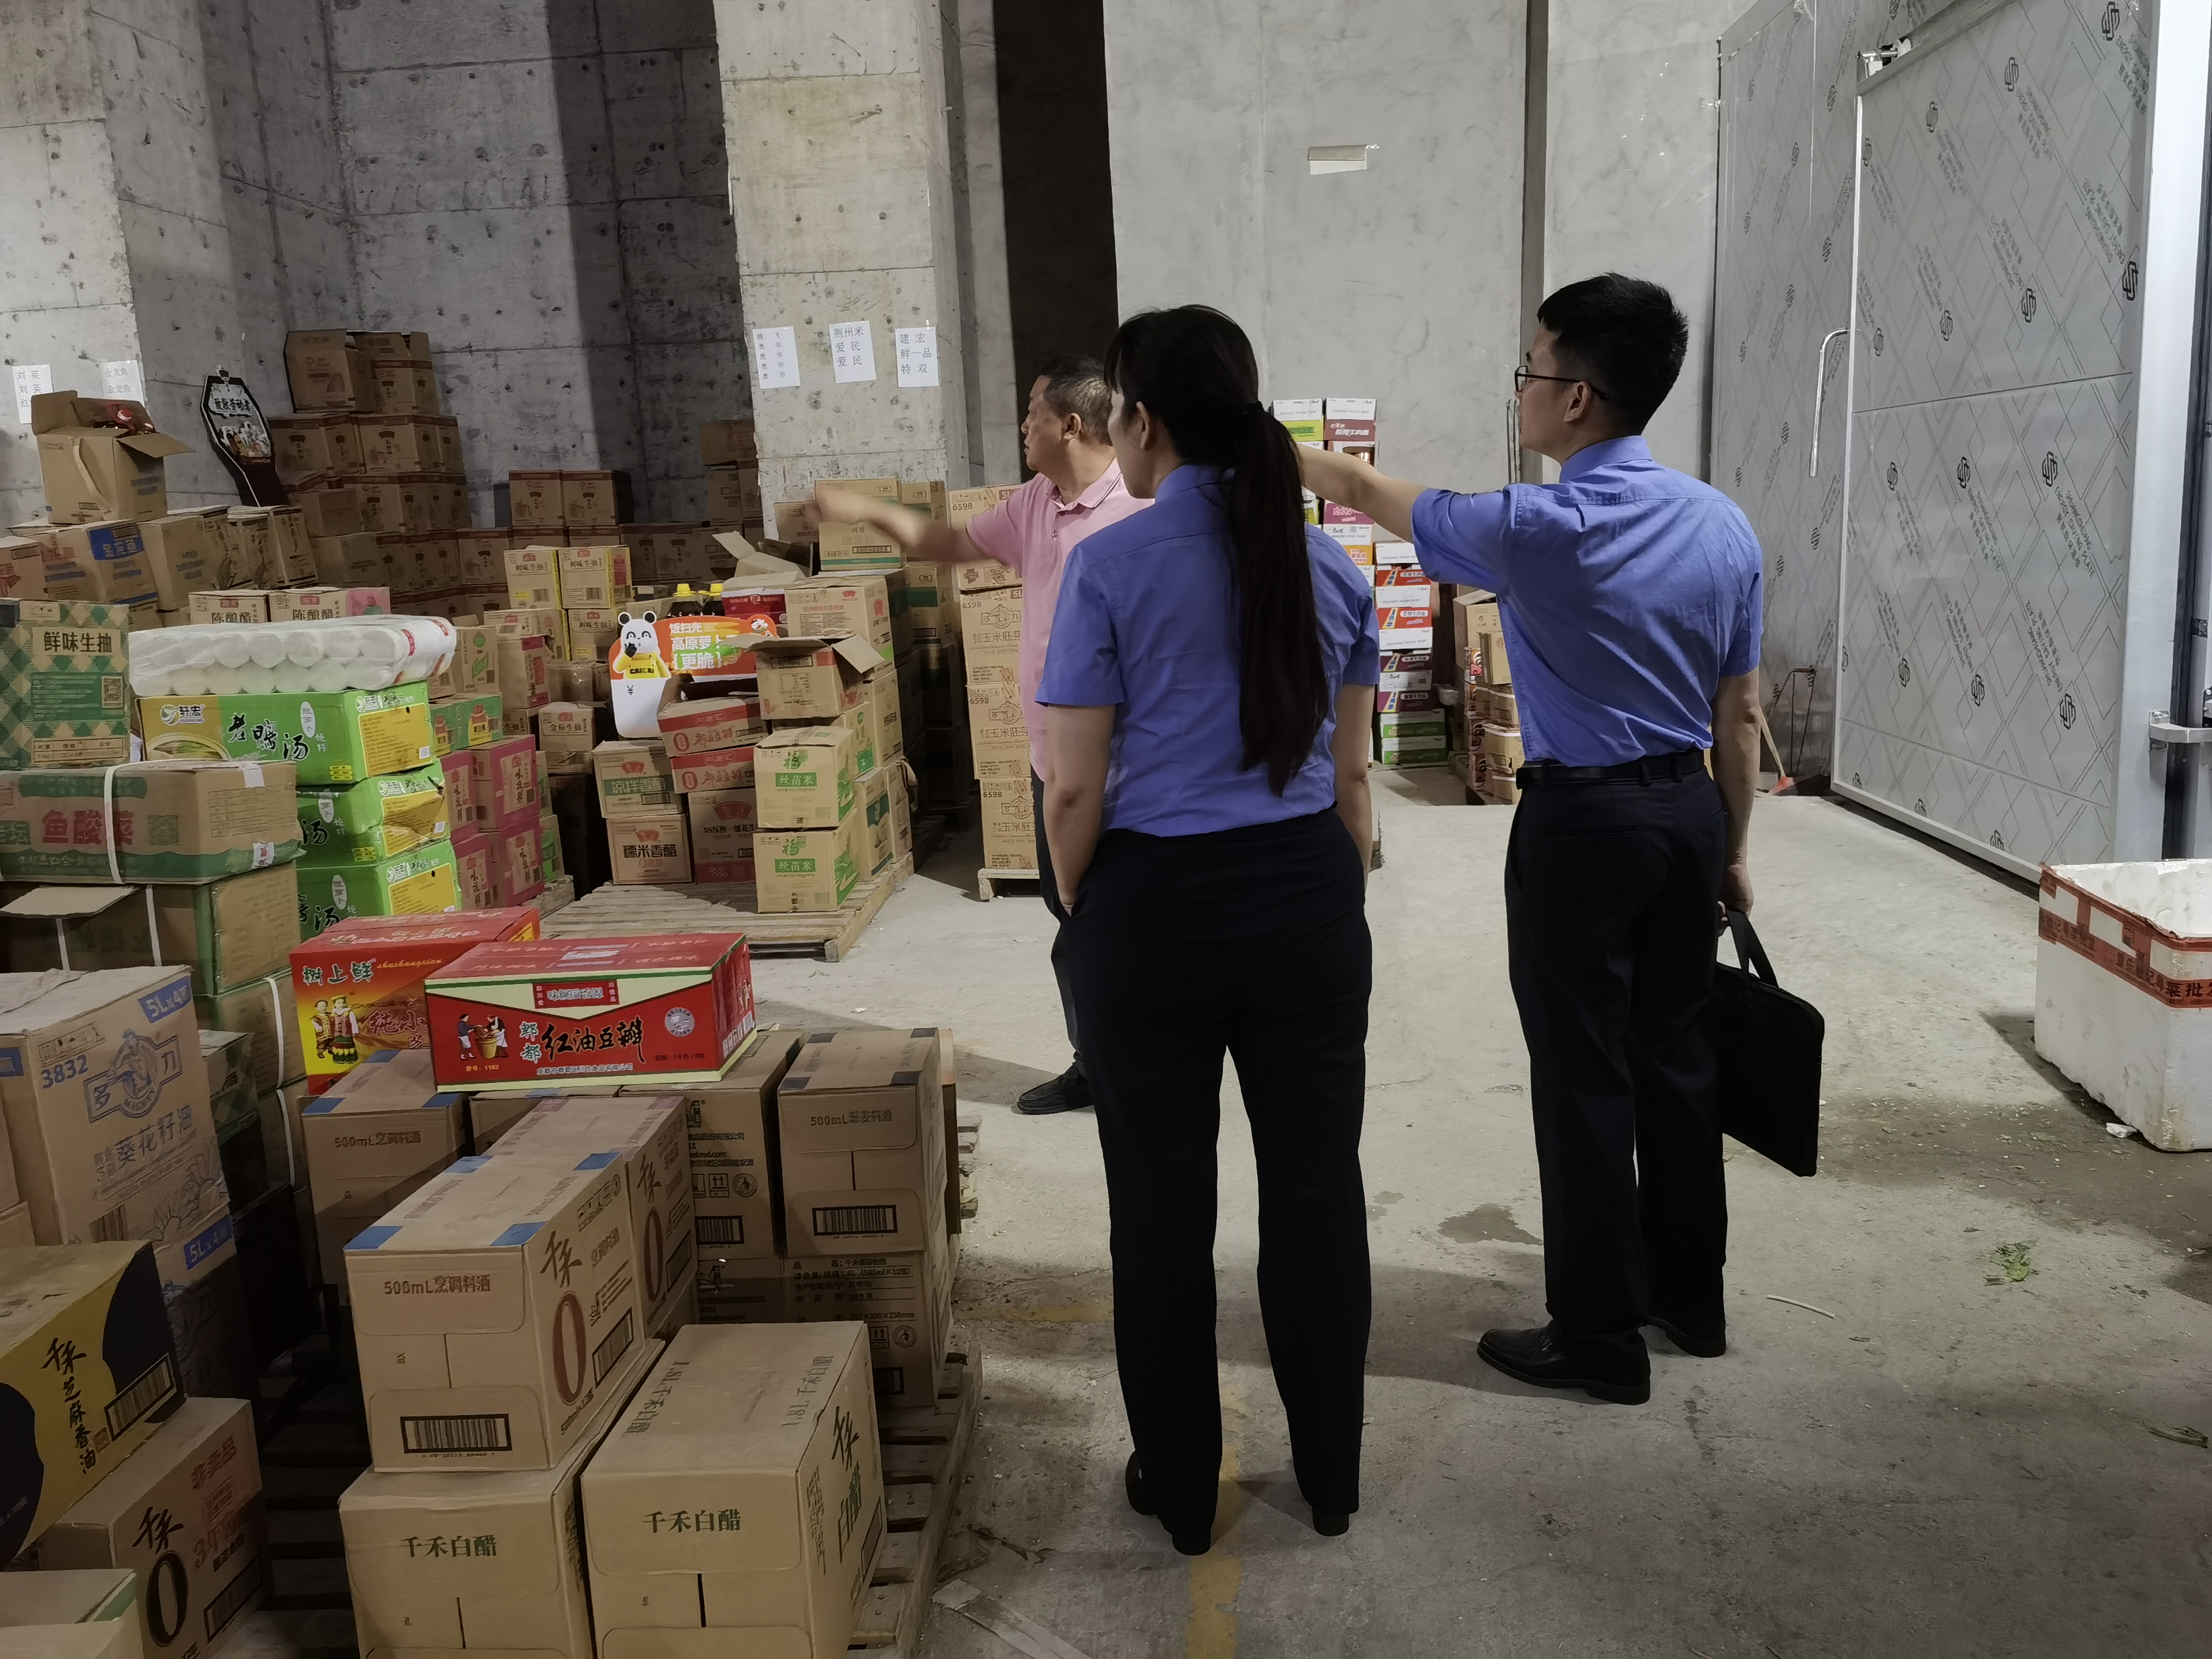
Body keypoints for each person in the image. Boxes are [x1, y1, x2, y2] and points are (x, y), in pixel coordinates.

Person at [1300, 273, 1764, 1408]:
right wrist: (1732, 849)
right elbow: (1740, 712)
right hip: (1687, 814)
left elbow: (1359, 486)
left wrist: (1264, 446)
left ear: (1576, 398)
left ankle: (1597, 1333)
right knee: (1677, 1059)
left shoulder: (1535, 527)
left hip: (1583, 826)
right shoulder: (1723, 523)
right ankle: (1689, 1301)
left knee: (1582, 1075)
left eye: (1529, 370)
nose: (1519, 391)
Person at [1039, 305, 1379, 1553]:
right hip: (1304, 902)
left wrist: (1084, 906)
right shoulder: (1331, 572)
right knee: (1316, 1194)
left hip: (1154, 912)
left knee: (1160, 1209)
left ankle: (1184, 1494)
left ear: (1142, 423)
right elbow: (1353, 786)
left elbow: (1071, 790)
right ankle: (1329, 1478)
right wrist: (1326, 900)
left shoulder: (1111, 567)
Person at [818, 358, 1147, 1116]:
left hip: (1131, 762)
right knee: (1072, 917)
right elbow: (947, 542)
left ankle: (1150, 1065)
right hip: (1049, 759)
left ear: (1070, 424)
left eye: (1032, 411)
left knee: (1132, 920)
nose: (1023, 425)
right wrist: (865, 509)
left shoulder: (1140, 504)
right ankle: (1097, 1066)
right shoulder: (1035, 503)